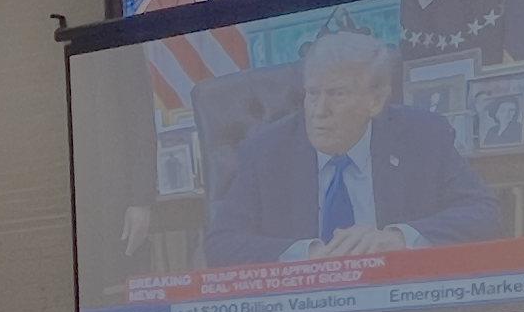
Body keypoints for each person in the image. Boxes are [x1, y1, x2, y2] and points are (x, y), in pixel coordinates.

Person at [202, 20, 497, 266]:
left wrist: (397, 238)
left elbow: (485, 214)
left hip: (399, 305)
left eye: (338, 94)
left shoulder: (423, 137)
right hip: (302, 310)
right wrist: (310, 254)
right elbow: (221, 243)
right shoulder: (265, 152)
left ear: (376, 100)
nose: (319, 110)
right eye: (312, 94)